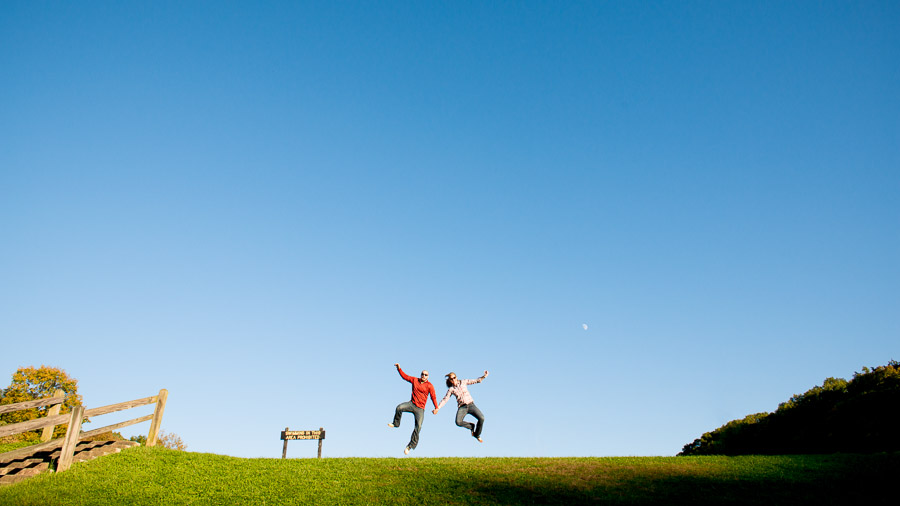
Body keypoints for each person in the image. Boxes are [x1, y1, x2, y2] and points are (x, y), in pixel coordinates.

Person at [388, 363, 437, 455]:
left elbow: (433, 397)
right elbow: (405, 377)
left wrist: (436, 407)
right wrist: (399, 369)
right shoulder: (415, 380)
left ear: (428, 377)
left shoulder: (429, 386)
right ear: (420, 375)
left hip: (420, 409)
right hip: (412, 404)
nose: (424, 376)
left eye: (426, 375)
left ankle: (410, 446)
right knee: (399, 408)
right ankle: (396, 423)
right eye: (422, 374)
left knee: (418, 427)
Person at [432, 370, 489, 442]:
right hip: (462, 407)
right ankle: (471, 426)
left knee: (482, 418)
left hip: (471, 405)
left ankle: (477, 434)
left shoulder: (463, 382)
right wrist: (438, 408)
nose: (453, 380)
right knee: (458, 422)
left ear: (456, 377)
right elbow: (445, 399)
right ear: (450, 380)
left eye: (454, 378)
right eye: (451, 379)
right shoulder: (451, 389)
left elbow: (476, 380)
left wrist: (484, 376)